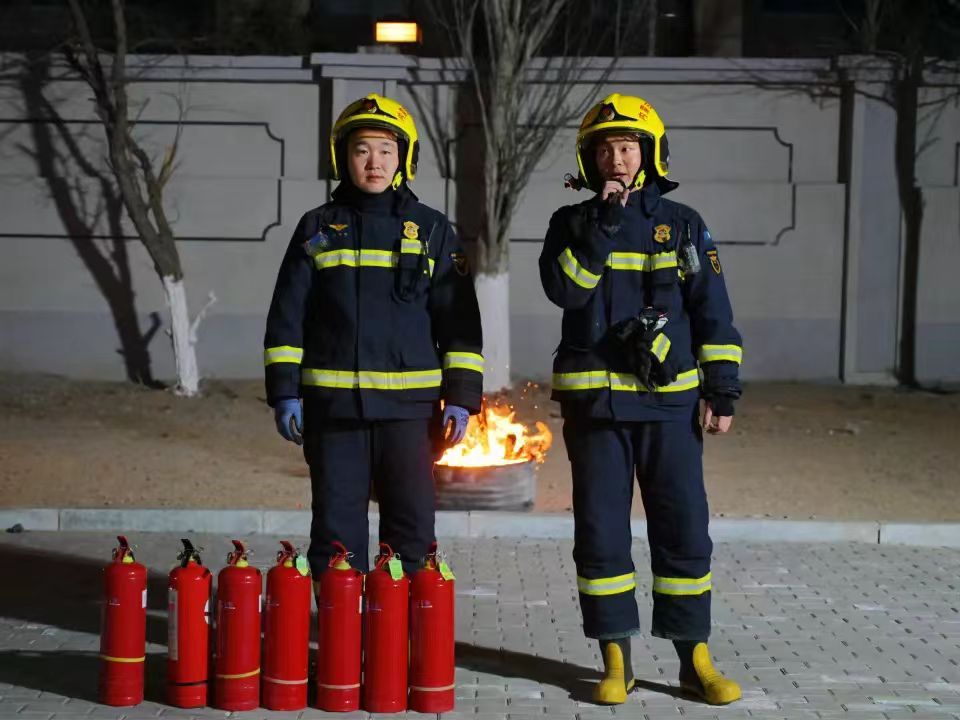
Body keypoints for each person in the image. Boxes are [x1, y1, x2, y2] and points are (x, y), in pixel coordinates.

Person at [539, 93, 744, 706]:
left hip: (668, 406)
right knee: (601, 534)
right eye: (605, 149)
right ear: (589, 159)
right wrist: (602, 227)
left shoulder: (683, 223)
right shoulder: (570, 222)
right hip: (596, 411)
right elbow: (567, 291)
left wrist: (722, 388)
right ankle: (615, 659)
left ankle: (694, 658)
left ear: (650, 154)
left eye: (628, 147)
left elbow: (712, 310)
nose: (617, 159)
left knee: (684, 530)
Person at [263, 93, 483, 578]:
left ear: (404, 157)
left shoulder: (432, 231)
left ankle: (398, 627)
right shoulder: (319, 229)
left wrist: (461, 398)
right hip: (334, 412)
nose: (374, 162)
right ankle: (341, 628)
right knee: (336, 540)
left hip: (410, 417)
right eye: (362, 150)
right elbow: (287, 315)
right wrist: (285, 392)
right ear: (343, 157)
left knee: (411, 536)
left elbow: (460, 322)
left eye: (386, 150)